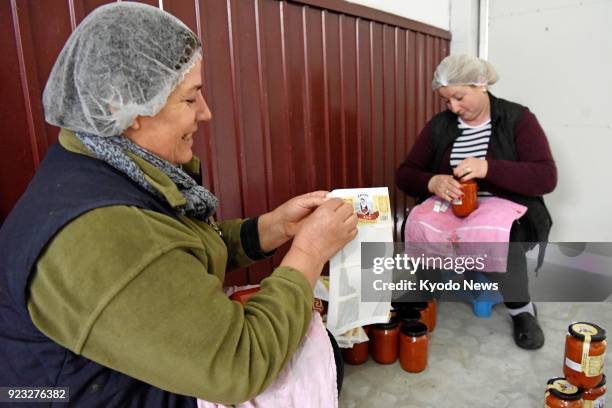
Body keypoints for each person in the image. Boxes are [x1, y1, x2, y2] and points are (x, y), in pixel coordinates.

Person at [0, 3, 357, 406]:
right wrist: (308, 253)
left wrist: (270, 229)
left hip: (118, 373)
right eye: (190, 99)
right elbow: (241, 367)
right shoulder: (99, 234)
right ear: (124, 107)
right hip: (87, 396)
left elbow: (169, 248)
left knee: (307, 334)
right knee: (300, 356)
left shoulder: (102, 164)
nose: (206, 113)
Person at [396, 54, 557, 350]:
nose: (453, 108)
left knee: (505, 236)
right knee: (417, 221)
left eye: (459, 97)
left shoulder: (518, 119)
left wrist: (489, 168)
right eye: (447, 101)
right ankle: (424, 291)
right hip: (454, 207)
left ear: (481, 85)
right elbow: (405, 173)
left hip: (503, 209)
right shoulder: (441, 126)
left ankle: (521, 309)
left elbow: (546, 177)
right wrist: (432, 181)